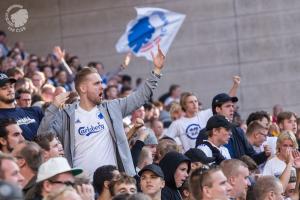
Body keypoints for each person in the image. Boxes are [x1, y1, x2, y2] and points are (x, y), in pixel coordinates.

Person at [37, 46, 165, 178]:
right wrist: (53, 108)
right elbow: (42, 137)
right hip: (83, 187)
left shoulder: (112, 107)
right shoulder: (65, 115)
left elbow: (140, 97)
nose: (102, 86)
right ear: (83, 88)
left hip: (114, 182)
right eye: (97, 83)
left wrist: (156, 70)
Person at [196, 93, 269, 165]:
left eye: (232, 106)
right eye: (228, 106)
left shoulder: (238, 131)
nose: (232, 109)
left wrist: (264, 154)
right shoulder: (204, 133)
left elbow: (251, 159)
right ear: (218, 109)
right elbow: (200, 163)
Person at [0, 73, 44, 140]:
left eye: (11, 86)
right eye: (4, 88)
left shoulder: (34, 111)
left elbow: (50, 131)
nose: (10, 90)